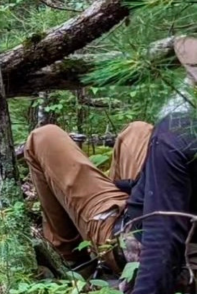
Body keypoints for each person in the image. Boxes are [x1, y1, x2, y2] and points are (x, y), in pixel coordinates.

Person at [24, 37, 197, 294]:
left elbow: (163, 234)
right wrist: (123, 186)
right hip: (171, 214)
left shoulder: (178, 132)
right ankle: (107, 201)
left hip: (145, 248)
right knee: (137, 131)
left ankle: (72, 257)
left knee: (44, 138)